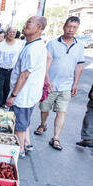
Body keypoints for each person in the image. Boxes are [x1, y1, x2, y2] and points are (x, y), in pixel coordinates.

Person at [33, 16, 85, 151]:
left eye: (74, 27)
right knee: (44, 108)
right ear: (64, 27)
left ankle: (55, 138)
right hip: (50, 84)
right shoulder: (52, 43)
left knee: (61, 111)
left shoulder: (79, 46)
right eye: (69, 26)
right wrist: (47, 81)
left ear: (77, 29)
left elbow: (79, 66)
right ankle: (43, 124)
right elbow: (45, 63)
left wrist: (75, 84)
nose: (71, 29)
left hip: (66, 86)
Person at [6, 16, 48, 159]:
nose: (25, 25)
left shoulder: (33, 49)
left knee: (19, 124)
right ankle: (27, 143)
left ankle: (20, 150)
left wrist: (13, 95)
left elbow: (24, 75)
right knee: (25, 121)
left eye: (29, 23)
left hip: (24, 94)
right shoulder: (33, 44)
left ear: (39, 28)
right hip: (29, 93)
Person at [0, 27, 23, 109]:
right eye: (10, 32)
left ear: (15, 34)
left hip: (12, 70)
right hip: (0, 69)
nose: (12, 34)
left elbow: (21, 58)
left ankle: (4, 103)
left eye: (14, 32)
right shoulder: (1, 45)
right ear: (6, 33)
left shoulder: (18, 45)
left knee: (7, 87)